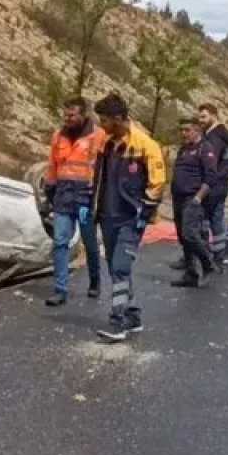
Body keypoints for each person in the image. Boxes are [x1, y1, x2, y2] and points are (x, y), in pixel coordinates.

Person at [91, 92, 167, 342]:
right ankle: (133, 315)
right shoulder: (107, 144)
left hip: (130, 219)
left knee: (121, 268)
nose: (101, 124)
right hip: (108, 216)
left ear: (118, 118)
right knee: (115, 268)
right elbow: (99, 178)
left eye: (104, 120)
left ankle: (118, 320)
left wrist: (143, 215)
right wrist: (92, 208)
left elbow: (157, 184)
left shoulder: (146, 146)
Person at [41, 97, 106, 307]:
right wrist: (49, 193)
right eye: (65, 115)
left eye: (72, 115)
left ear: (83, 115)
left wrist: (100, 199)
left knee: (89, 242)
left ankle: (94, 280)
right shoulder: (58, 135)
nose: (67, 118)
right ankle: (60, 289)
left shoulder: (98, 135)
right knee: (60, 241)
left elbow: (104, 169)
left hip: (86, 198)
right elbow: (53, 166)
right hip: (63, 196)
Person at [169, 118, 219, 287]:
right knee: (183, 237)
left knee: (189, 234)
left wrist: (198, 198)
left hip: (193, 199)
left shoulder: (205, 149)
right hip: (178, 198)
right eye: (181, 130)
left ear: (197, 131)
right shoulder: (183, 149)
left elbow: (211, 177)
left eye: (187, 130)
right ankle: (191, 273)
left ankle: (207, 263)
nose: (183, 133)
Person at [196, 103, 228, 267]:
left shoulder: (214, 138)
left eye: (204, 117)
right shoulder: (224, 135)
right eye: (199, 117)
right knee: (217, 219)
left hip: (212, 185)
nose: (200, 120)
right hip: (222, 184)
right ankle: (219, 255)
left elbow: (209, 164)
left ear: (213, 115)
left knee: (203, 219)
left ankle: (203, 255)